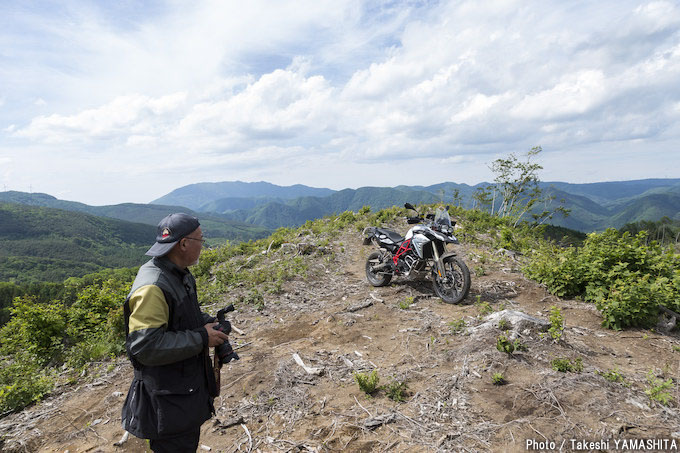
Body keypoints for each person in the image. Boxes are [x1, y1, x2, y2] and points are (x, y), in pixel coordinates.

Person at [121, 213, 229, 452]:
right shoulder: (153, 286)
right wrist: (202, 337)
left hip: (181, 393)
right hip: (167, 401)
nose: (203, 244)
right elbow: (146, 347)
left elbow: (180, 316)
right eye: (201, 239)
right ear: (183, 244)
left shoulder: (177, 272)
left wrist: (208, 323)